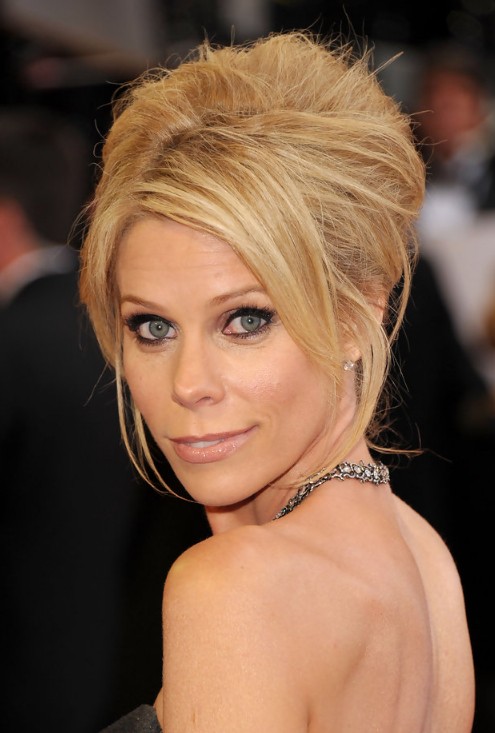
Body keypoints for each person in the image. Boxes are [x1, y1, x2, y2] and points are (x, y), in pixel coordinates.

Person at [79, 32, 475, 733]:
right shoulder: (424, 558)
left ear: (357, 312)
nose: (188, 384)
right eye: (153, 327)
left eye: (245, 320)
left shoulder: (233, 586)